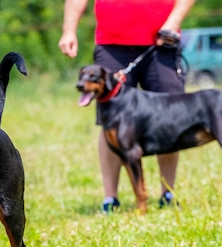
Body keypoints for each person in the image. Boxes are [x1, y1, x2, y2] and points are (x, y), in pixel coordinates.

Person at [58, 0, 195, 212]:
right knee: (110, 125)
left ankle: (168, 193)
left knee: (169, 121)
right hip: (111, 47)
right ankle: (110, 199)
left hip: (163, 40)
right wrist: (69, 30)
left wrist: (173, 21)